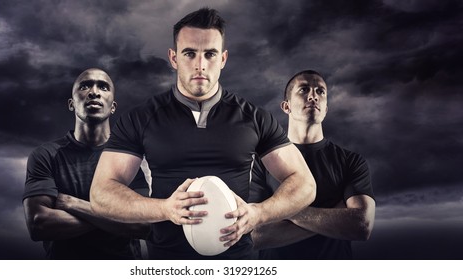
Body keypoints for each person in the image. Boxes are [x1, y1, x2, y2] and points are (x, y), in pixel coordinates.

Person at [89, 8, 316, 260]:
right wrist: (165, 209)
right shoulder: (141, 118)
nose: (200, 65)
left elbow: (305, 184)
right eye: (189, 53)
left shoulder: (254, 117)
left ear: (223, 59)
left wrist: (259, 213)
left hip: (237, 264)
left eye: (210, 54)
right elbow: (101, 193)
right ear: (173, 58)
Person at [22, 68, 150, 259]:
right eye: (85, 86)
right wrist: (115, 218)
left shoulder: (126, 160)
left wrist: (73, 204)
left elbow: (141, 225)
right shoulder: (46, 156)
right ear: (71, 104)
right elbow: (38, 224)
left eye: (103, 87)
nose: (94, 92)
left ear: (112, 106)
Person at [251, 70, 376, 259]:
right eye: (303, 90)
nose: (313, 96)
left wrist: (278, 209)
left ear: (325, 108)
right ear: (286, 107)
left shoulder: (351, 162)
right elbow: (256, 235)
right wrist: (337, 216)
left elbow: (361, 225)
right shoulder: (263, 163)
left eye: (320, 91)